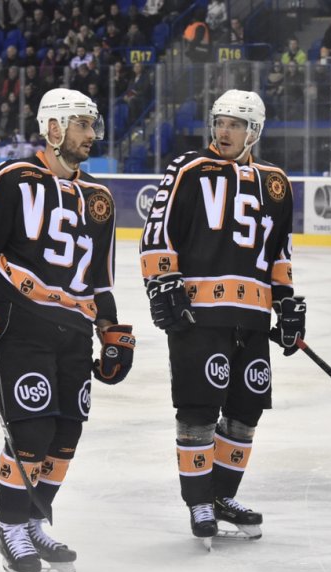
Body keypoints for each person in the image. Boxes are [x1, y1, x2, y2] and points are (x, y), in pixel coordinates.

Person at [0, 88, 135, 572]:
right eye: (82, 125)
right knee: (30, 430)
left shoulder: (99, 198)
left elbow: (100, 278)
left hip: (75, 329)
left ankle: (36, 519)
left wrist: (110, 330)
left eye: (92, 126)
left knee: (65, 433)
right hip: (21, 323)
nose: (91, 135)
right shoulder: (12, 178)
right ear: (53, 128)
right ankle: (11, 526)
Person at [139, 89, 303, 547]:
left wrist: (286, 302)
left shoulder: (276, 182)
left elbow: (280, 250)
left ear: (255, 131)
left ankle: (221, 495)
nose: (224, 131)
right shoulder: (188, 169)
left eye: (236, 124)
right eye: (220, 122)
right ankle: (199, 501)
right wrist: (162, 282)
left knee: (246, 410)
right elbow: (157, 232)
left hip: (252, 316)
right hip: (199, 314)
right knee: (199, 407)